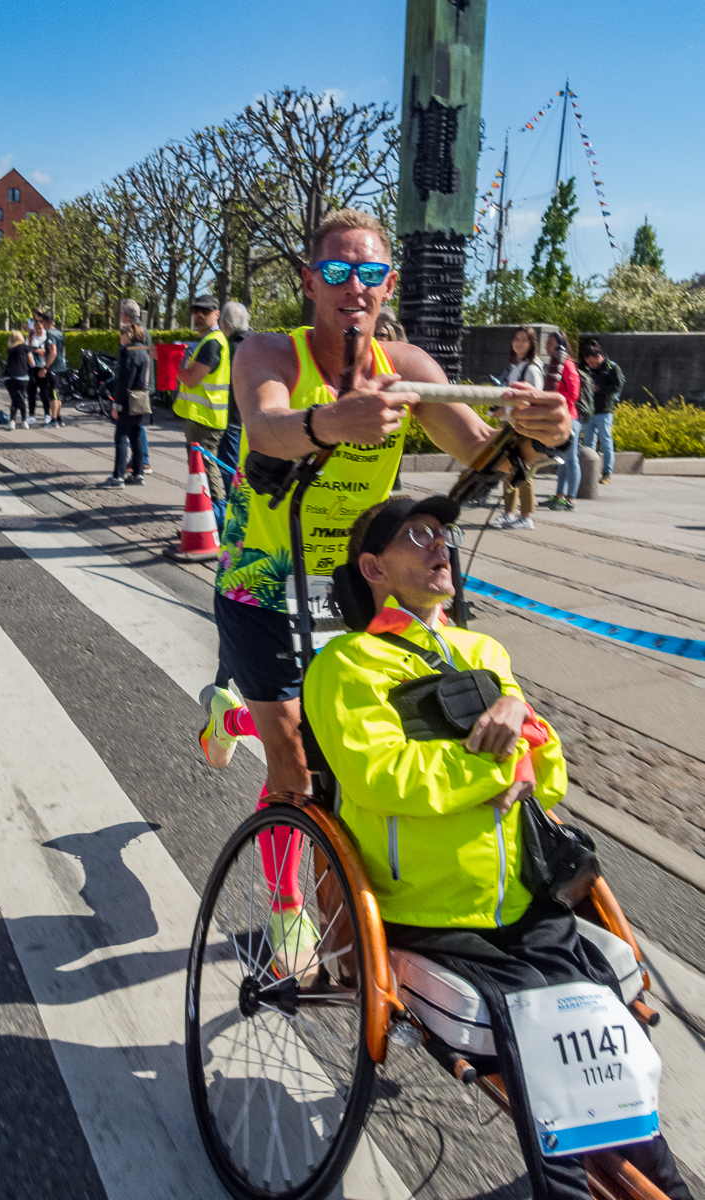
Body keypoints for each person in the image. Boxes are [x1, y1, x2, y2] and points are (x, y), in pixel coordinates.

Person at [196, 207, 571, 957]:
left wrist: (537, 434)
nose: (352, 287)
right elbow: (266, 427)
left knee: (354, 739)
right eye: (335, 271)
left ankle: (232, 715)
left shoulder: (411, 370)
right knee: (298, 756)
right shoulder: (269, 351)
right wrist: (333, 422)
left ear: (388, 283)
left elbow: (482, 460)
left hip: (363, 583)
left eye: (369, 273)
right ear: (309, 282)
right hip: (263, 580)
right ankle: (286, 907)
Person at [303, 495, 693, 1200]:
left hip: (521, 900)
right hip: (430, 910)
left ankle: (663, 1181)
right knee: (555, 1059)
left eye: (443, 534)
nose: (439, 546)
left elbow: (548, 774)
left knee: (607, 1049)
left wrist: (522, 727)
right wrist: (491, 766)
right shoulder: (347, 665)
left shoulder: (484, 652)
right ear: (373, 567)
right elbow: (381, 775)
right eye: (417, 535)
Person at [173, 294, 230, 518]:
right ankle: (208, 519)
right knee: (202, 472)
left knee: (205, 471)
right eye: (195, 310)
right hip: (203, 418)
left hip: (205, 420)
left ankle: (217, 520)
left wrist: (171, 364)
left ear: (217, 314)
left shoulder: (212, 343)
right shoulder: (208, 341)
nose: (198, 315)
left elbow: (190, 379)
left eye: (204, 311)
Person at [491, 326, 544, 530]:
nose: (519, 342)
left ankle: (525, 515)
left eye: (524, 339)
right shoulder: (516, 366)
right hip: (511, 423)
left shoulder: (531, 368)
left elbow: (534, 399)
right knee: (508, 468)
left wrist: (507, 411)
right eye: (516, 338)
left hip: (522, 425)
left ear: (532, 344)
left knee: (522, 469)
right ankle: (509, 512)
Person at [104, 322, 149, 489]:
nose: (120, 338)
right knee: (136, 437)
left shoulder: (129, 353)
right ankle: (138, 474)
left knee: (121, 438)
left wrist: (117, 404)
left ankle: (118, 477)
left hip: (128, 401)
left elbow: (125, 382)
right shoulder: (143, 351)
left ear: (129, 335)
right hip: (140, 399)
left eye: (122, 334)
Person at [545, 332, 584, 512]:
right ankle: (559, 496)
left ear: (560, 345)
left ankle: (570, 499)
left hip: (570, 417)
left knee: (571, 459)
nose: (547, 346)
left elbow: (574, 395)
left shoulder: (568, 366)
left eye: (551, 343)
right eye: (547, 343)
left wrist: (554, 396)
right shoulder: (554, 365)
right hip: (559, 416)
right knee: (562, 459)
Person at [581, 339, 624, 485]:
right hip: (589, 410)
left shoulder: (612, 368)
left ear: (600, 356)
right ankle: (588, 472)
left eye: (593, 363)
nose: (591, 365)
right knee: (587, 443)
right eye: (589, 363)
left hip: (604, 410)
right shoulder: (587, 369)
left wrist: (598, 388)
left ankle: (606, 473)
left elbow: (617, 386)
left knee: (605, 442)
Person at [217, 301, 251, 476]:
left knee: (229, 467)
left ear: (226, 325)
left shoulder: (228, 349)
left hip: (232, 418)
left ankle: (231, 502)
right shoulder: (256, 344)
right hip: (253, 419)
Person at [120, 299, 152, 475]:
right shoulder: (140, 329)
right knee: (136, 425)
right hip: (141, 385)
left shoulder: (134, 331)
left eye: (121, 313)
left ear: (126, 314)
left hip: (137, 386)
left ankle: (143, 460)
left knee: (136, 426)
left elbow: (135, 361)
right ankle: (140, 460)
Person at [39, 312, 66, 427]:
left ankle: (53, 420)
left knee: (53, 394)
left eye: (42, 322)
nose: (42, 325)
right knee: (58, 393)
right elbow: (63, 350)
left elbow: (53, 352)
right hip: (61, 367)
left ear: (46, 322)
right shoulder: (59, 333)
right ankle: (59, 418)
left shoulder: (50, 334)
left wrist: (45, 367)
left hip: (53, 368)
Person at [4, 330, 30, 429]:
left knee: (15, 399)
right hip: (22, 377)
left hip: (9, 377)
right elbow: (32, 362)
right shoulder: (25, 348)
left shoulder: (10, 350)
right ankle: (24, 421)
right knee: (21, 398)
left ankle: (12, 421)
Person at [26, 314, 48, 424]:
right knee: (31, 392)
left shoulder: (47, 338)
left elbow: (53, 352)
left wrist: (44, 353)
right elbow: (26, 351)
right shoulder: (30, 338)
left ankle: (47, 414)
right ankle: (31, 415)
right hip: (33, 368)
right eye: (37, 328)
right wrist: (34, 350)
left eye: (40, 328)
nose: (39, 330)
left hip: (43, 367)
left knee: (44, 392)